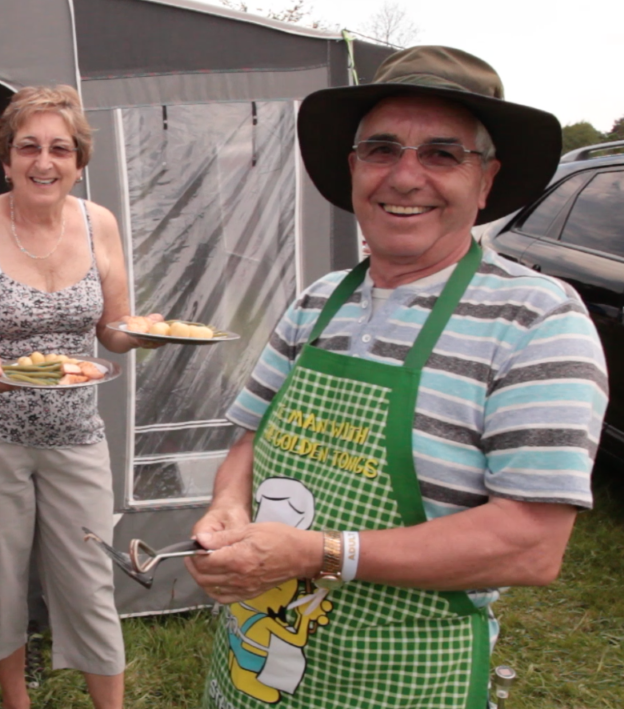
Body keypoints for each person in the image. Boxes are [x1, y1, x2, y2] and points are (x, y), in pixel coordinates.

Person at [186, 46, 608, 709]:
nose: (405, 176)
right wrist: (226, 509)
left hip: (403, 683)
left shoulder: (538, 321)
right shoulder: (315, 302)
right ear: (354, 169)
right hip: (256, 675)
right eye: (382, 150)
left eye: (441, 154)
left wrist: (317, 551)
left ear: (487, 180)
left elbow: (529, 544)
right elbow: (247, 441)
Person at [0, 85, 156, 709]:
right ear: (6, 159)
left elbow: (111, 328)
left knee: (88, 579)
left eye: (60, 149)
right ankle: (16, 701)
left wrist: (139, 336)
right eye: (28, 147)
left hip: (75, 433)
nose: (43, 162)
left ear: (78, 162)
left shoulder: (99, 223)